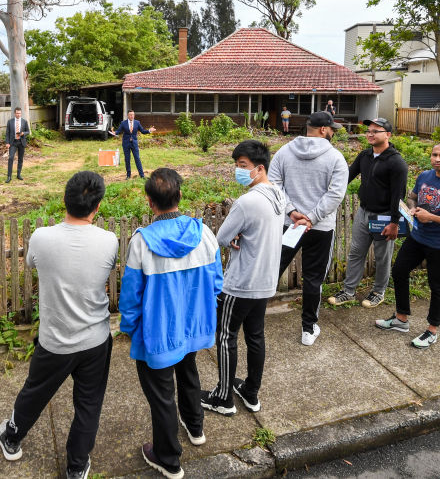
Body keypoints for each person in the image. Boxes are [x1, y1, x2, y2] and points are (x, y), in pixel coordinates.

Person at [0, 172, 118, 479]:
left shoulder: (41, 237)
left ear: (64, 200)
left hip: (55, 339)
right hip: (95, 339)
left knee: (35, 392)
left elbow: (31, 264)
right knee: (89, 404)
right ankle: (77, 467)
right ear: (98, 206)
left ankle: (12, 436)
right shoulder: (109, 241)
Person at [119, 168, 222, 479]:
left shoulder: (142, 242)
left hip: (159, 333)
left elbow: (131, 297)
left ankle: (168, 458)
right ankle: (195, 428)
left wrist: (130, 328)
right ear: (180, 197)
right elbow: (217, 284)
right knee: (188, 372)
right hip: (193, 328)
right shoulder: (205, 233)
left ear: (150, 202)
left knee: (162, 394)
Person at [201, 141, 285, 418]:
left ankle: (223, 397)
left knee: (226, 337)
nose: (237, 170)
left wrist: (236, 235)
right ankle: (251, 392)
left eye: (243, 166)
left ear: (259, 169)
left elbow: (221, 237)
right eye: (237, 165)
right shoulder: (279, 196)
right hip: (265, 281)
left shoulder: (247, 201)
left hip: (240, 283)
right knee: (256, 336)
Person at [375, 143, 440, 348]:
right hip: (417, 238)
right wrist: (412, 209)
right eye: (434, 154)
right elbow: (412, 198)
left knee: (436, 286)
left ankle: (432, 331)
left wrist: (432, 217)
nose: (437, 159)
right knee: (399, 271)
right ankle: (401, 319)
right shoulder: (424, 176)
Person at [269, 111, 348, 346]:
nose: (333, 132)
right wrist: (312, 218)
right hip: (320, 228)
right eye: (332, 129)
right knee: (313, 278)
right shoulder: (336, 158)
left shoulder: (284, 152)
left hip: (289, 224)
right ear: (324, 130)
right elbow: (335, 195)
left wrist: (292, 211)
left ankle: (247, 314)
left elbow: (274, 184)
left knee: (271, 269)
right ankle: (308, 328)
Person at [328, 118, 409, 308]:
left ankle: (378, 291)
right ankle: (348, 291)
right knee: (356, 252)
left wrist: (394, 223)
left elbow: (399, 196)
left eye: (376, 131)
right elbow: (347, 177)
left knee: (382, 257)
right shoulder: (364, 156)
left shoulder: (397, 163)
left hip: (385, 217)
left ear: (388, 135)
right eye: (369, 131)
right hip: (364, 213)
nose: (370, 134)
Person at [111, 110, 156, 180]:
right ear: (128, 115)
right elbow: (119, 131)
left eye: (133, 115)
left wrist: (149, 130)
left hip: (134, 143)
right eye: (130, 115)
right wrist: (114, 132)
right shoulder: (123, 123)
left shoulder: (137, 123)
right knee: (127, 159)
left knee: (137, 158)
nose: (132, 116)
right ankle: (128, 175)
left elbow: (143, 131)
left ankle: (142, 175)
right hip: (126, 143)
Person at [5, 107, 30, 183]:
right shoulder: (10, 121)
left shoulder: (24, 121)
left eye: (19, 113)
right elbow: (7, 133)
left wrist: (23, 133)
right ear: (14, 113)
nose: (18, 114)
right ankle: (9, 176)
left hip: (21, 142)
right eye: (17, 113)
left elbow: (28, 131)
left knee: (20, 159)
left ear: (21, 113)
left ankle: (18, 174)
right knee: (11, 158)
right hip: (13, 143)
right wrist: (7, 142)